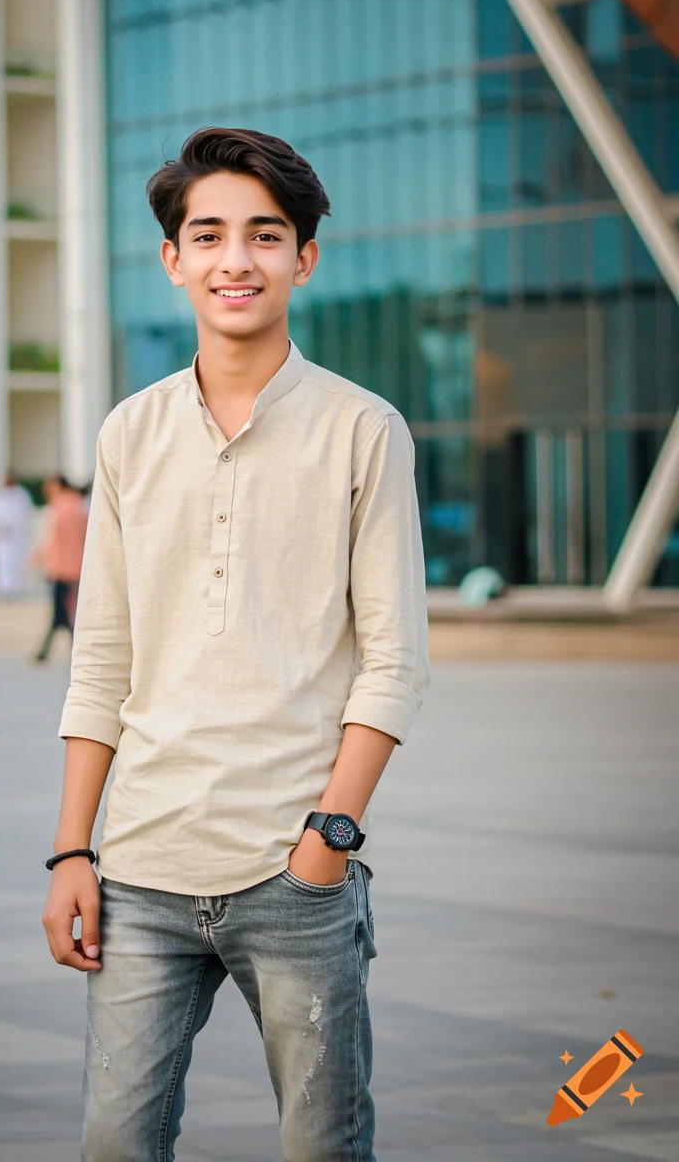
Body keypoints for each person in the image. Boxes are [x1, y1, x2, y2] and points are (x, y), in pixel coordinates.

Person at [42, 127, 431, 1161]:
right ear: (171, 258)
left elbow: (393, 662)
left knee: (323, 1150)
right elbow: (102, 660)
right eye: (206, 235)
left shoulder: (363, 429)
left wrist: (323, 846)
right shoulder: (128, 431)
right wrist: (72, 849)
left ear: (303, 256)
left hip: (291, 875)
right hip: (138, 868)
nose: (234, 260)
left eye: (264, 235)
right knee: (114, 1145)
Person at [30, 474, 89, 663]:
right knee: (64, 613)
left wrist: (41, 557)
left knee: (62, 613)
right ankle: (51, 650)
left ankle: (53, 651)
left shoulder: (64, 510)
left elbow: (55, 542)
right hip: (72, 568)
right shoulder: (76, 507)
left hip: (64, 569)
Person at [0, 471, 32, 595]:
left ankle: (14, 586)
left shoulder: (21, 495)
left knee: (15, 561)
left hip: (15, 536)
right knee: (1, 561)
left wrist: (13, 528)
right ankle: (2, 587)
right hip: (0, 537)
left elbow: (24, 515)